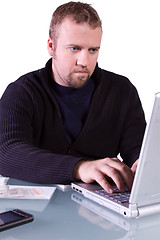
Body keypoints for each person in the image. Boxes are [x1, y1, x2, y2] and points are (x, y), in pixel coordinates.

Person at [0, 1, 146, 193]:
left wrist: (142, 166)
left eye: (93, 50)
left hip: (100, 208)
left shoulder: (122, 91)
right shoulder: (21, 92)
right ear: (51, 47)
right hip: (37, 210)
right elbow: (7, 153)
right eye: (74, 49)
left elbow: (137, 149)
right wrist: (80, 167)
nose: (84, 61)